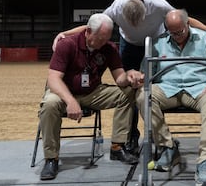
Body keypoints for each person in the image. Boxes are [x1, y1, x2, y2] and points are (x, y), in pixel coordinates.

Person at [52, 0, 206, 154]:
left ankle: (157, 137)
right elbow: (93, 25)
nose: (135, 26)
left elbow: (182, 19)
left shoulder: (158, 4)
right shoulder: (117, 6)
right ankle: (131, 137)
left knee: (151, 89)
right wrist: (66, 34)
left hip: (155, 44)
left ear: (146, 12)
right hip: (129, 46)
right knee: (131, 88)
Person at [39, 13, 143, 181]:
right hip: (64, 92)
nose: (103, 43)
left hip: (92, 92)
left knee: (128, 93)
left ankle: (117, 146)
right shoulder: (67, 44)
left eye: (107, 38)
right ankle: (51, 159)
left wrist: (130, 75)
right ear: (88, 31)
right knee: (49, 104)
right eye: (100, 38)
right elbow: (53, 78)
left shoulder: (109, 48)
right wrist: (70, 101)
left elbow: (119, 79)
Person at [135, 9, 206, 185]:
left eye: (180, 32)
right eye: (172, 32)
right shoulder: (157, 43)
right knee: (143, 96)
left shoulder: (205, 39)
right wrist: (139, 78)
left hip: (199, 88)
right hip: (168, 88)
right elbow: (146, 73)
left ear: (188, 24)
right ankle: (168, 147)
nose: (176, 35)